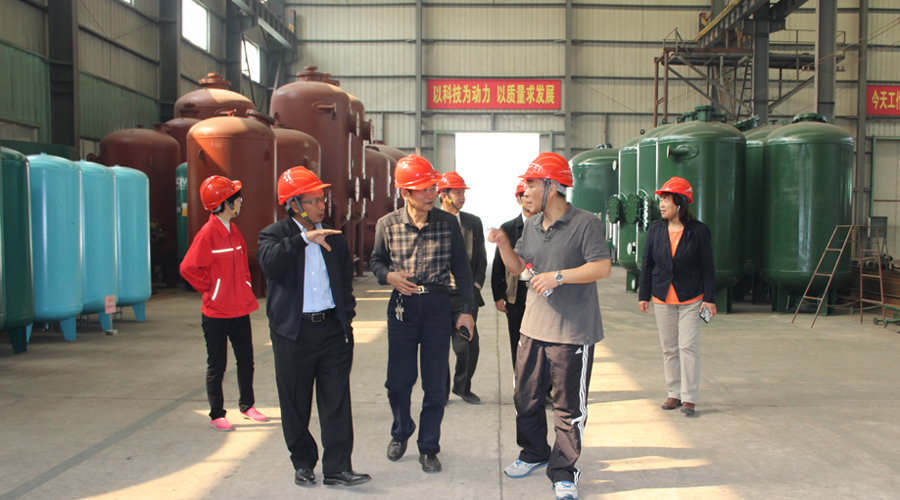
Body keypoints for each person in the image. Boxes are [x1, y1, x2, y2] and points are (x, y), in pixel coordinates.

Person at [488, 152, 611, 500]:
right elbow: (519, 268)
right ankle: (533, 452)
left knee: (568, 408)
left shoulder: (585, 223)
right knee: (525, 398)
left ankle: (563, 471)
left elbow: (602, 267)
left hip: (572, 332)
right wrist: (504, 245)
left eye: (531, 184)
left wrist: (558, 277)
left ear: (552, 187)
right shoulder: (530, 226)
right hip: (532, 328)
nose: (525, 190)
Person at [257, 167, 371, 487]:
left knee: (336, 401)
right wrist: (303, 239)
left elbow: (345, 283)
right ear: (294, 205)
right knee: (295, 403)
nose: (322, 206)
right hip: (294, 334)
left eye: (323, 199)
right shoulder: (273, 235)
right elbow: (270, 264)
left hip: (332, 330)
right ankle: (304, 463)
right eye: (313, 201)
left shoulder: (335, 238)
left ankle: (338, 467)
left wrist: (346, 318)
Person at [370, 155, 476, 474]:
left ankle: (429, 447)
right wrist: (388, 276)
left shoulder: (447, 224)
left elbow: (462, 269)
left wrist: (467, 311)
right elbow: (376, 261)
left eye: (433, 187)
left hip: (437, 306)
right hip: (402, 307)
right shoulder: (387, 225)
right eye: (424, 189)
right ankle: (401, 430)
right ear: (405, 192)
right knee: (398, 382)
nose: (431, 194)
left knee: (435, 383)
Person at [180, 175, 267, 432]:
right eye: (237, 198)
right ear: (225, 204)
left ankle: (247, 406)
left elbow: (242, 267)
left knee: (246, 360)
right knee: (217, 365)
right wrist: (211, 287)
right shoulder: (207, 234)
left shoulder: (234, 230)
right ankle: (217, 414)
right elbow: (188, 268)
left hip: (239, 309)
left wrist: (245, 286)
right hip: (216, 312)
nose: (240, 202)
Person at [638, 176, 716, 417]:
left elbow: (708, 267)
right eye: (661, 200)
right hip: (663, 297)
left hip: (693, 298)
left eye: (667, 200)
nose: (661, 205)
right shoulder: (655, 229)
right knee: (669, 348)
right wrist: (644, 295)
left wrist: (709, 299)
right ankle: (674, 393)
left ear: (680, 203)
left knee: (688, 346)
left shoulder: (699, 231)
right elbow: (647, 263)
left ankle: (689, 397)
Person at [437, 171, 486, 405]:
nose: (462, 196)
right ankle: (441, 391)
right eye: (457, 192)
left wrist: (475, 286)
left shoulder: (472, 223)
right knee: (437, 347)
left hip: (465, 296)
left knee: (467, 345)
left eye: (463, 192)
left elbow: (481, 259)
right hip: (438, 295)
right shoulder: (432, 222)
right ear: (443, 195)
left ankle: (462, 387)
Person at [490, 180, 536, 371]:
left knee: (542, 342)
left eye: (532, 194)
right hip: (516, 294)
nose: (529, 199)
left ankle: (545, 385)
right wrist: (498, 294)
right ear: (518, 200)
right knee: (517, 340)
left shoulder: (548, 226)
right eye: (524, 196)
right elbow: (498, 264)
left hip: (541, 291)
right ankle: (521, 380)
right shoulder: (508, 228)